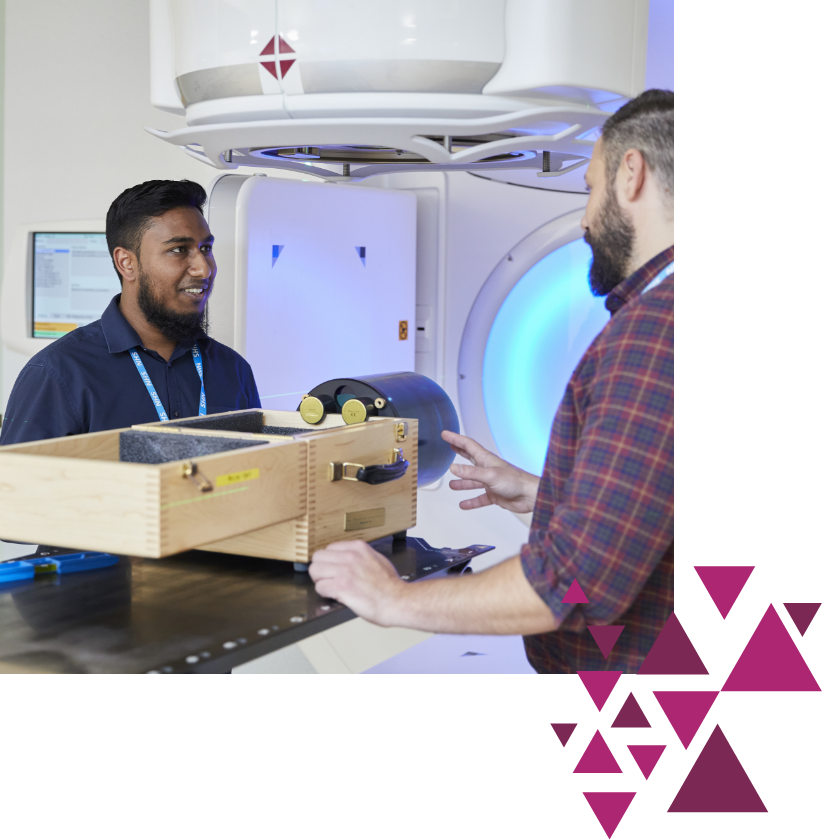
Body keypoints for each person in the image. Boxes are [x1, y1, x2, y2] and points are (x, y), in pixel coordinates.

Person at [307, 89, 675, 674]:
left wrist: (392, 597)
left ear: (631, 174)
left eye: (590, 189)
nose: (584, 219)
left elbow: (575, 581)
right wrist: (545, 493)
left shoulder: (653, 333)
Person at [0, 180, 260, 445]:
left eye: (206, 249)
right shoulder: (58, 374)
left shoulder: (233, 370)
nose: (203, 269)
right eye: (178, 250)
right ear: (127, 263)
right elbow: (17, 484)